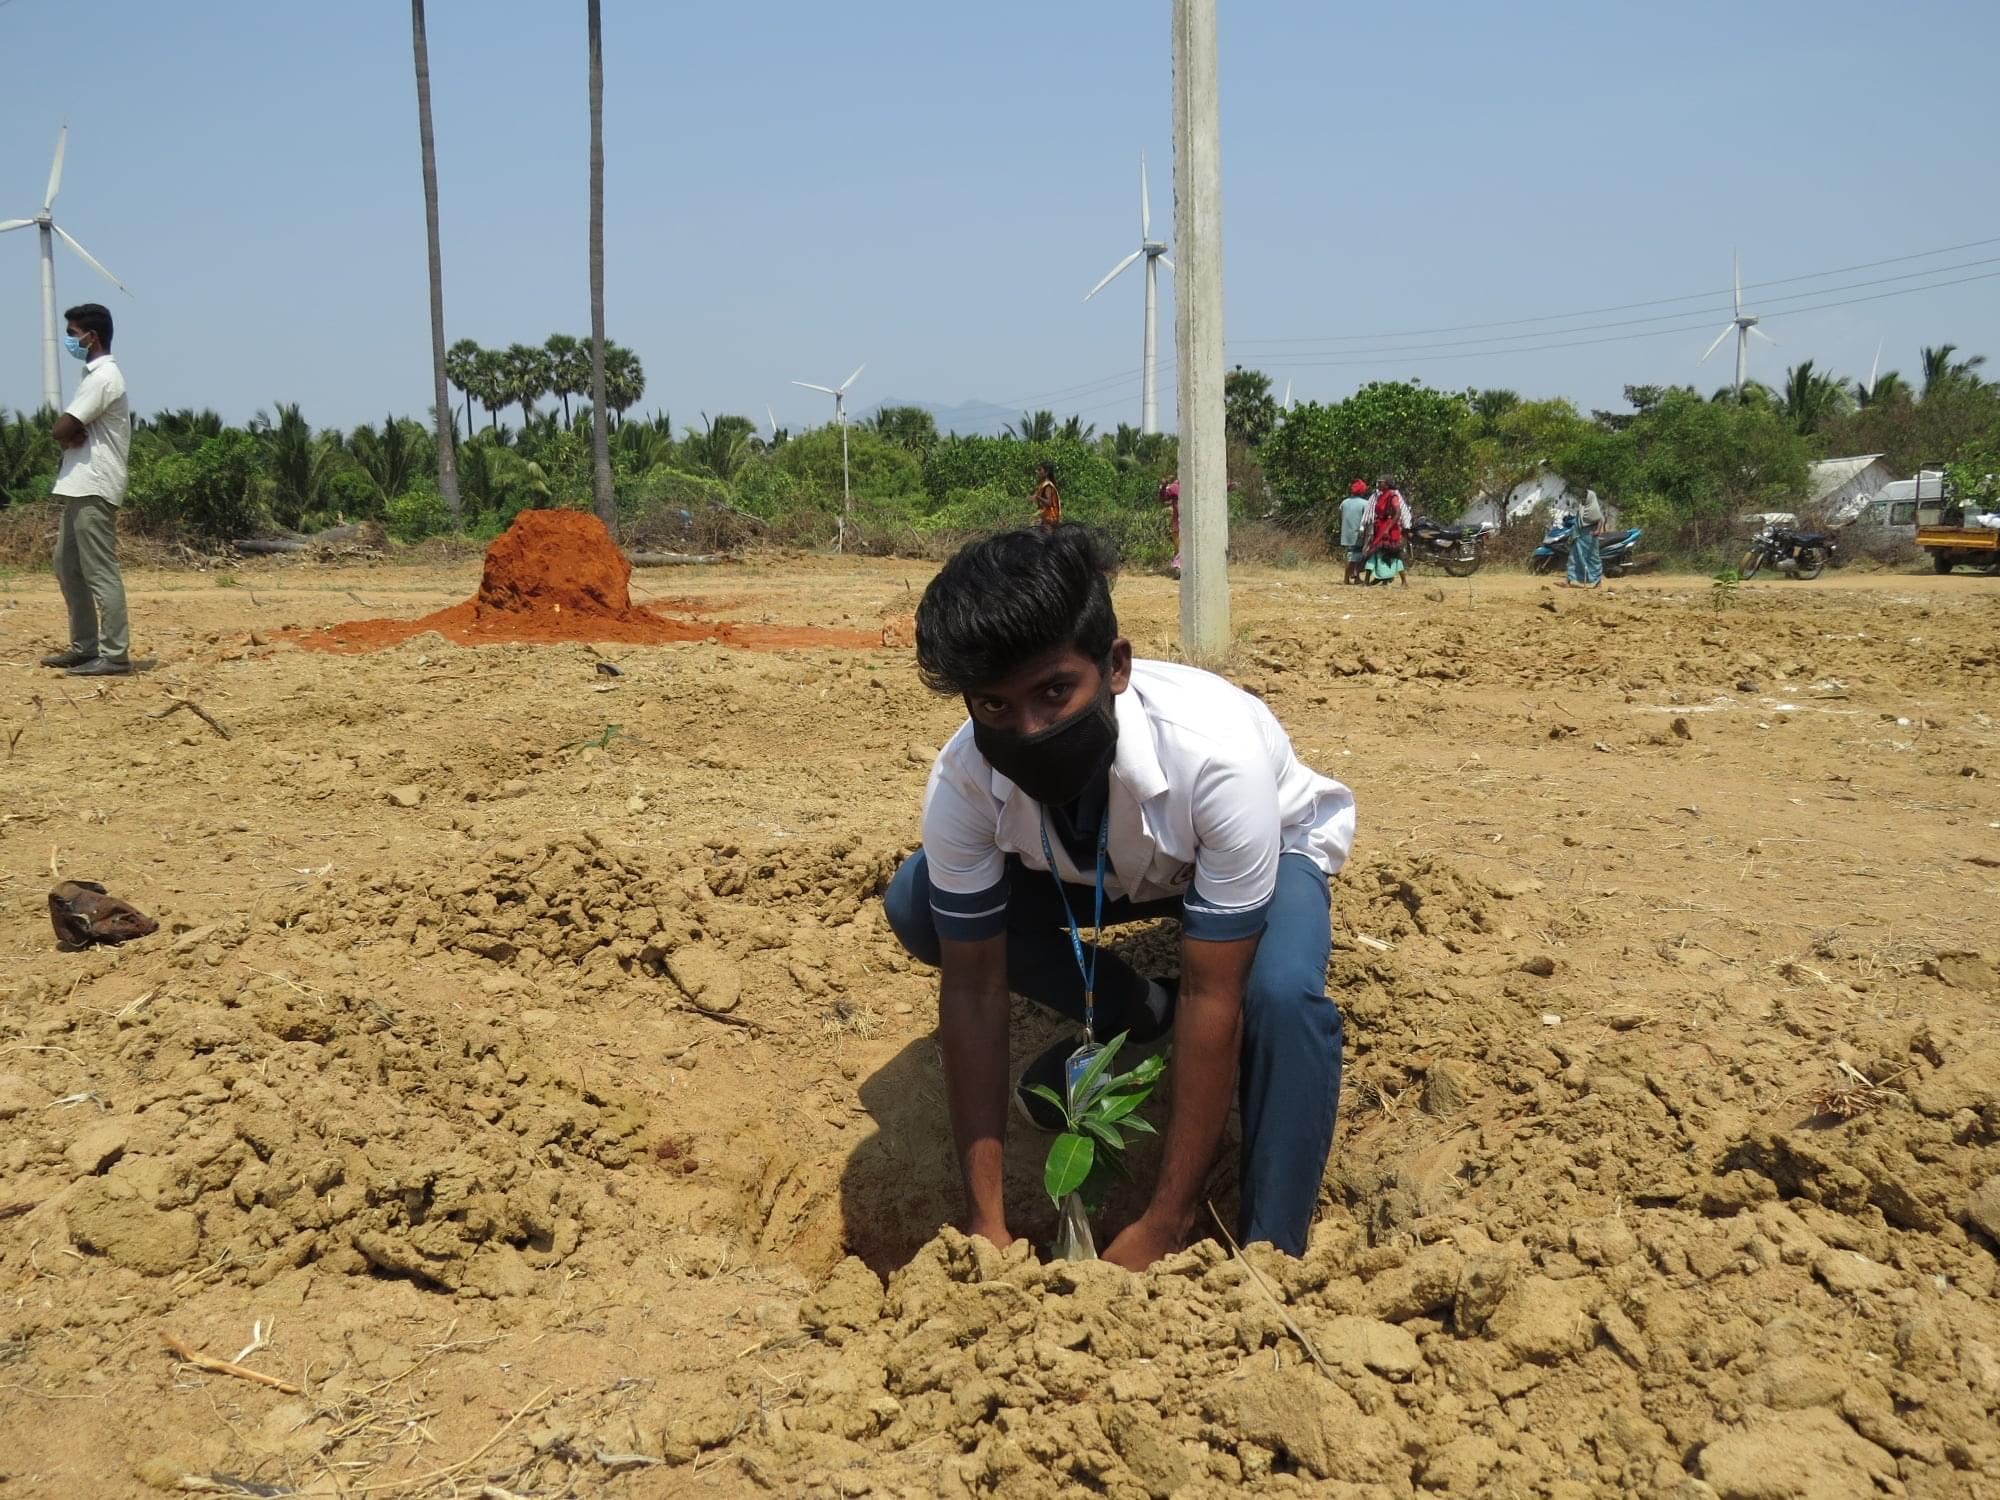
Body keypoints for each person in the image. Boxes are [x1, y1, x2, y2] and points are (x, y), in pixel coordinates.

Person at [883, 526, 1356, 1268]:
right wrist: (985, 1224)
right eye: (995, 707)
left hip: (1252, 852)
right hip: (1096, 869)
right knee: (920, 905)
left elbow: (1215, 988)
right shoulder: (965, 777)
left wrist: (1167, 1220)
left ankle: (1271, 1249)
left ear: (1116, 667)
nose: (1029, 729)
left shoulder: (1215, 756)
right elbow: (972, 988)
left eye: (1053, 692)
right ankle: (1142, 1015)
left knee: (1281, 996)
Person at [40, 303, 132, 677]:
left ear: (91, 337)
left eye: (73, 333)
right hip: (79, 485)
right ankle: (84, 646)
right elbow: (68, 430)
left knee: (99, 571)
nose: (69, 340)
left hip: (95, 483)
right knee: (68, 566)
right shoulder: (92, 376)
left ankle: (115, 654)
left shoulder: (104, 377)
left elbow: (62, 428)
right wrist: (69, 433)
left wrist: (66, 433)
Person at [1362, 477, 1408, 586]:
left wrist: (1388, 529)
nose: (1377, 484)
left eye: (1380, 482)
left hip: (1389, 528)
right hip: (1379, 527)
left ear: (1387, 484)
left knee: (1393, 554)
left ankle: (1404, 581)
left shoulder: (1393, 496)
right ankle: (1367, 580)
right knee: (1373, 551)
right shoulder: (1380, 496)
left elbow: (1397, 513)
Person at [1565, 490, 1605, 588]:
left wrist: (1597, 532)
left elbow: (1601, 520)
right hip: (1579, 536)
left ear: (1591, 497)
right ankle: (1568, 580)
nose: (1584, 498)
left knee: (1593, 559)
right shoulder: (1582, 507)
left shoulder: (1594, 508)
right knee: (1574, 557)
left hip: (1590, 538)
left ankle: (1598, 582)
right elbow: (1578, 520)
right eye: (1583, 496)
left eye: (1586, 496)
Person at [1337, 480, 1371, 585]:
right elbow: (1367, 520)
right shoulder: (1365, 504)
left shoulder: (1344, 502)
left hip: (1346, 533)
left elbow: (1340, 517)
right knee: (1355, 557)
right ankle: (1348, 578)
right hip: (1358, 533)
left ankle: (1353, 577)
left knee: (1352, 555)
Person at [1157, 475, 1180, 572]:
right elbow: (1163, 498)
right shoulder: (1175, 487)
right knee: (1180, 548)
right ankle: (1178, 568)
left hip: (1193, 525)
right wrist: (1163, 487)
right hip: (1179, 524)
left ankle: (1178, 567)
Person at [1031, 462, 1062, 531]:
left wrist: (1037, 497)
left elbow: (1048, 502)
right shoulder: (1042, 484)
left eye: (1039, 470)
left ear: (1046, 472)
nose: (1037, 472)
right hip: (1045, 519)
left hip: (1050, 520)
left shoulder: (1047, 485)